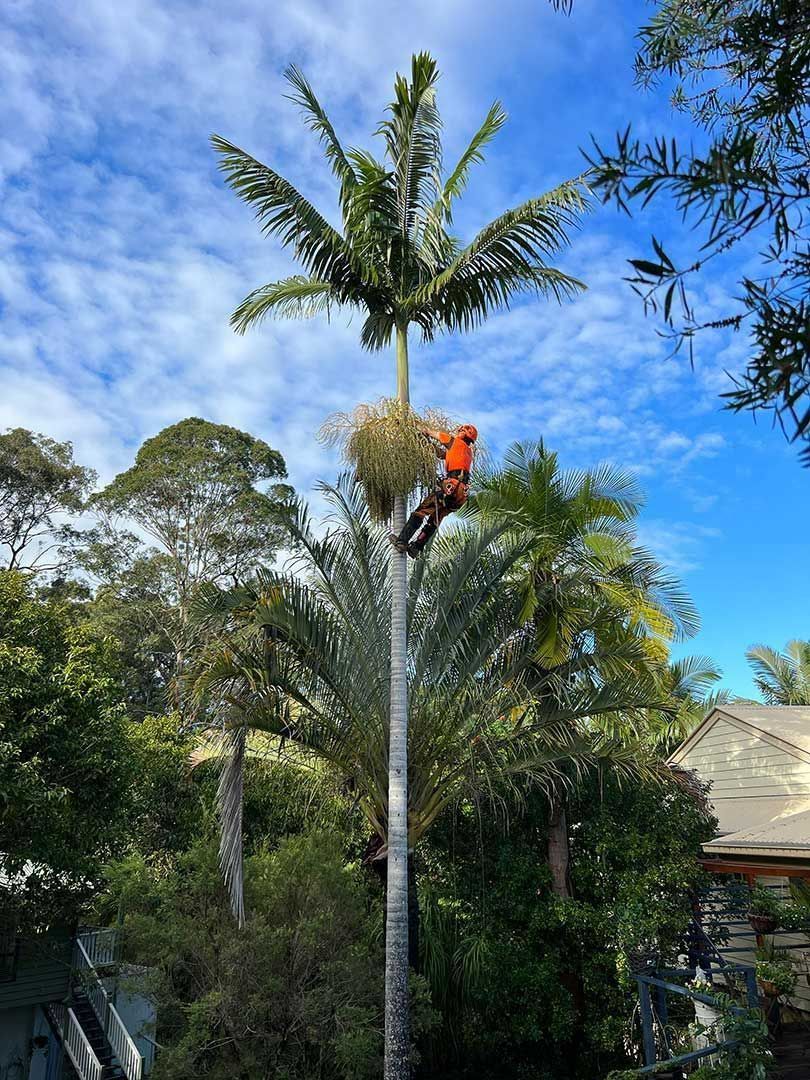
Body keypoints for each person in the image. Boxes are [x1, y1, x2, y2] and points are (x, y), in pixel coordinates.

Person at [389, 423, 478, 558]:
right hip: (461, 496)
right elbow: (441, 454)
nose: (458, 431)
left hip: (451, 488)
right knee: (435, 518)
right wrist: (427, 444)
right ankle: (416, 548)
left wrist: (417, 429)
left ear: (464, 433)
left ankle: (402, 541)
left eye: (460, 430)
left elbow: (430, 432)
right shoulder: (467, 452)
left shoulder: (454, 441)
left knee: (422, 510)